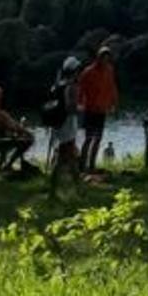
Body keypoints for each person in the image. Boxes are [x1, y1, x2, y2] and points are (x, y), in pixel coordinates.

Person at [77, 39, 120, 173]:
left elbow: (112, 87)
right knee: (88, 138)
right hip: (90, 109)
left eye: (108, 58)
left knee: (98, 139)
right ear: (98, 57)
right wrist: (79, 104)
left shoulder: (109, 70)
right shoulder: (88, 72)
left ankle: (91, 165)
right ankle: (82, 166)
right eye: (103, 57)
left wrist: (115, 103)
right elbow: (80, 88)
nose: (105, 60)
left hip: (102, 110)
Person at [49, 56, 81, 197]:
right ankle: (53, 190)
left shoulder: (58, 85)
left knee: (70, 155)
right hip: (67, 123)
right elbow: (70, 107)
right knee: (64, 156)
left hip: (59, 124)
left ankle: (77, 187)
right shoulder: (71, 86)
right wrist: (82, 108)